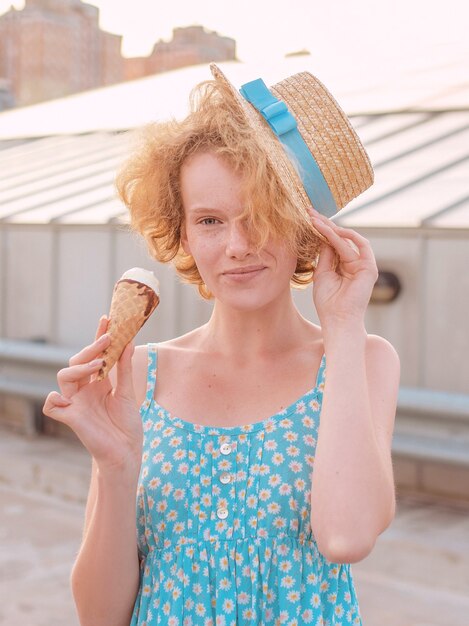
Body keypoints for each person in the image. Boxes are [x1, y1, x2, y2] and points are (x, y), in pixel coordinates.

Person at [43, 63, 400, 626]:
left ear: (306, 228)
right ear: (183, 233)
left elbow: (346, 536)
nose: (238, 245)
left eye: (260, 215)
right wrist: (116, 465)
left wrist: (345, 320)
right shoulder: (139, 371)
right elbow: (98, 616)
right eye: (210, 220)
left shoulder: (360, 359)